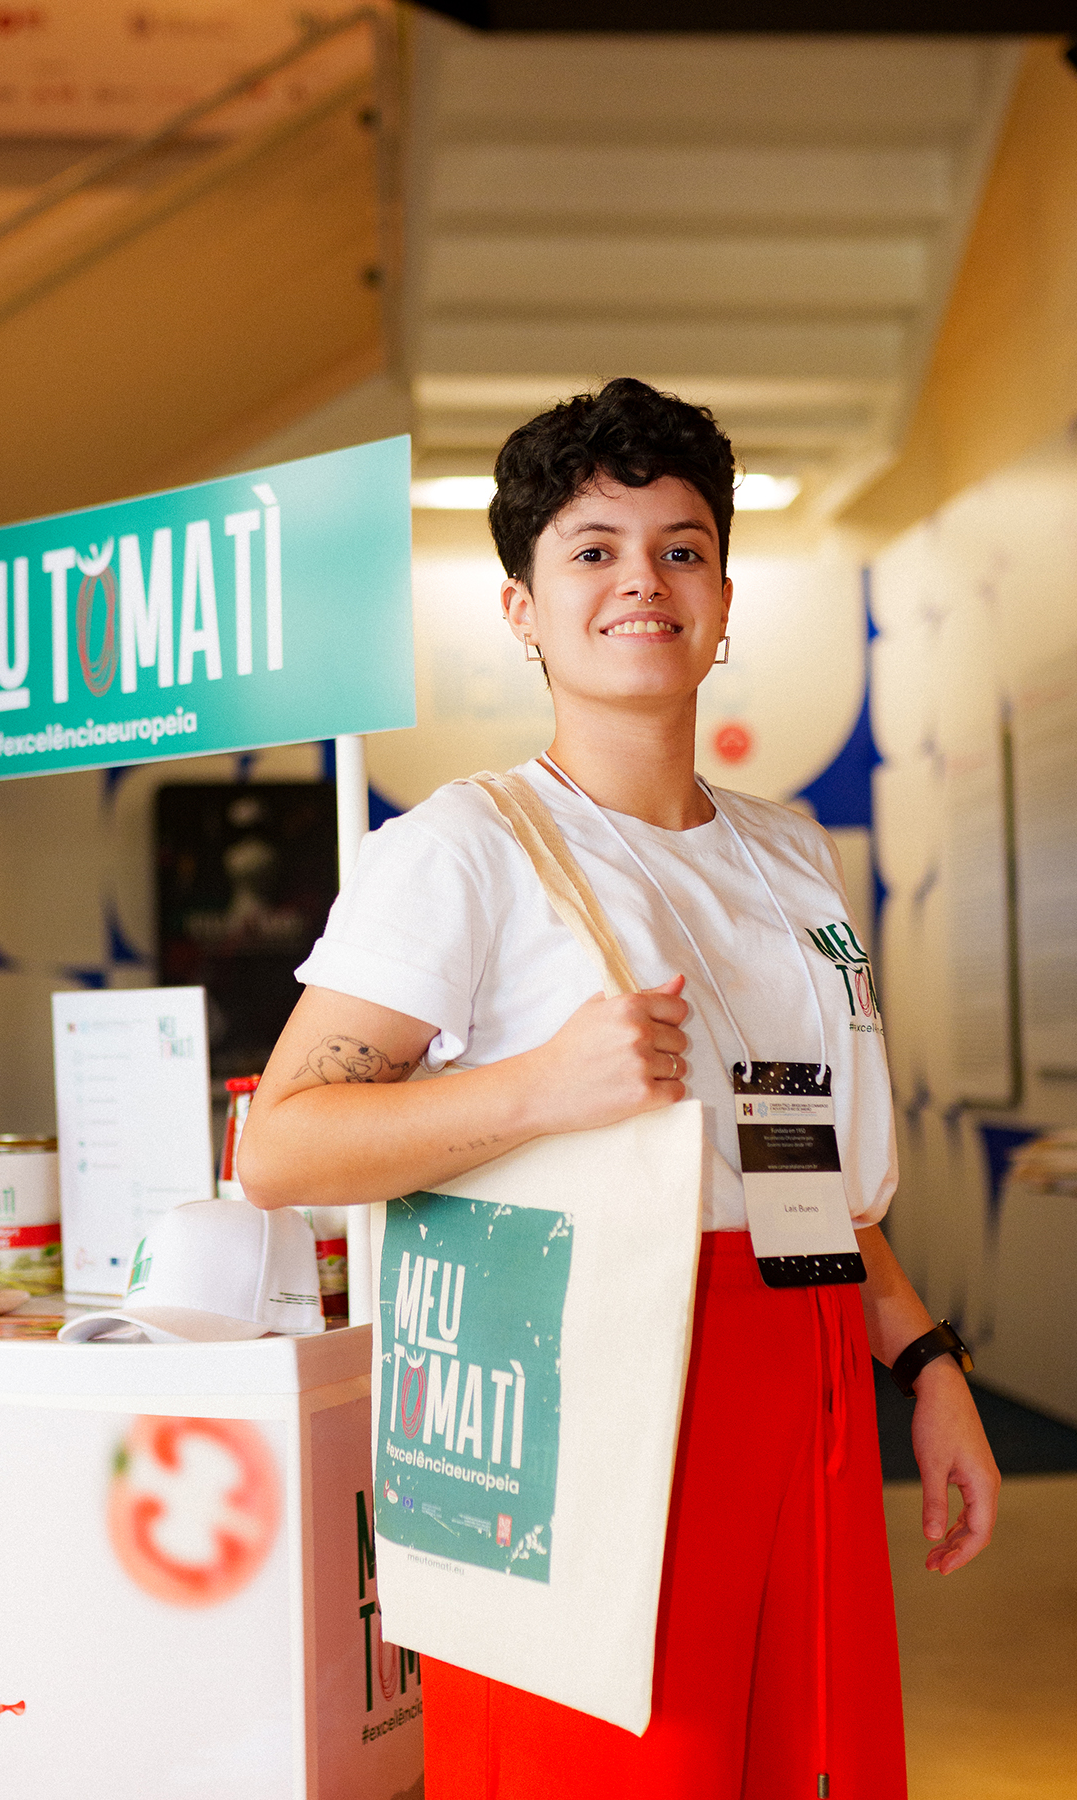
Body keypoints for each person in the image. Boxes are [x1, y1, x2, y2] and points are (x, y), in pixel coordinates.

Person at [238, 378, 1000, 1799]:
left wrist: (926, 1364)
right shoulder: (464, 850)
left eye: (681, 548)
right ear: (521, 609)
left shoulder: (789, 853)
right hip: (590, 1390)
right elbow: (280, 1149)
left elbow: (802, 1159)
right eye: (593, 549)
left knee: (809, 1762)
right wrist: (541, 1088)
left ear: (723, 601)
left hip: (805, 1366)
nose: (643, 580)